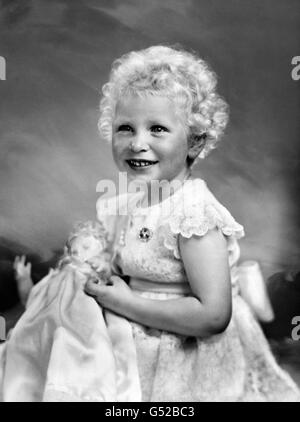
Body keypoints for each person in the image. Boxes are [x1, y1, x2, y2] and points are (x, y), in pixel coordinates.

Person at [84, 45, 300, 401]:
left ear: (195, 141)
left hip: (187, 357)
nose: (138, 143)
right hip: (136, 339)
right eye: (125, 128)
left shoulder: (193, 215)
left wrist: (124, 303)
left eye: (157, 129)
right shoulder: (123, 204)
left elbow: (213, 316)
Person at [0, 221, 141, 402]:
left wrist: (101, 269)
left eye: (86, 246)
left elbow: (112, 297)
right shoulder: (55, 275)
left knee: (71, 344)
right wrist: (23, 278)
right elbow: (31, 300)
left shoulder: (95, 277)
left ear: (101, 253)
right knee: (24, 346)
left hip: (79, 322)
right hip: (39, 324)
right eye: (74, 247)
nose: (77, 251)